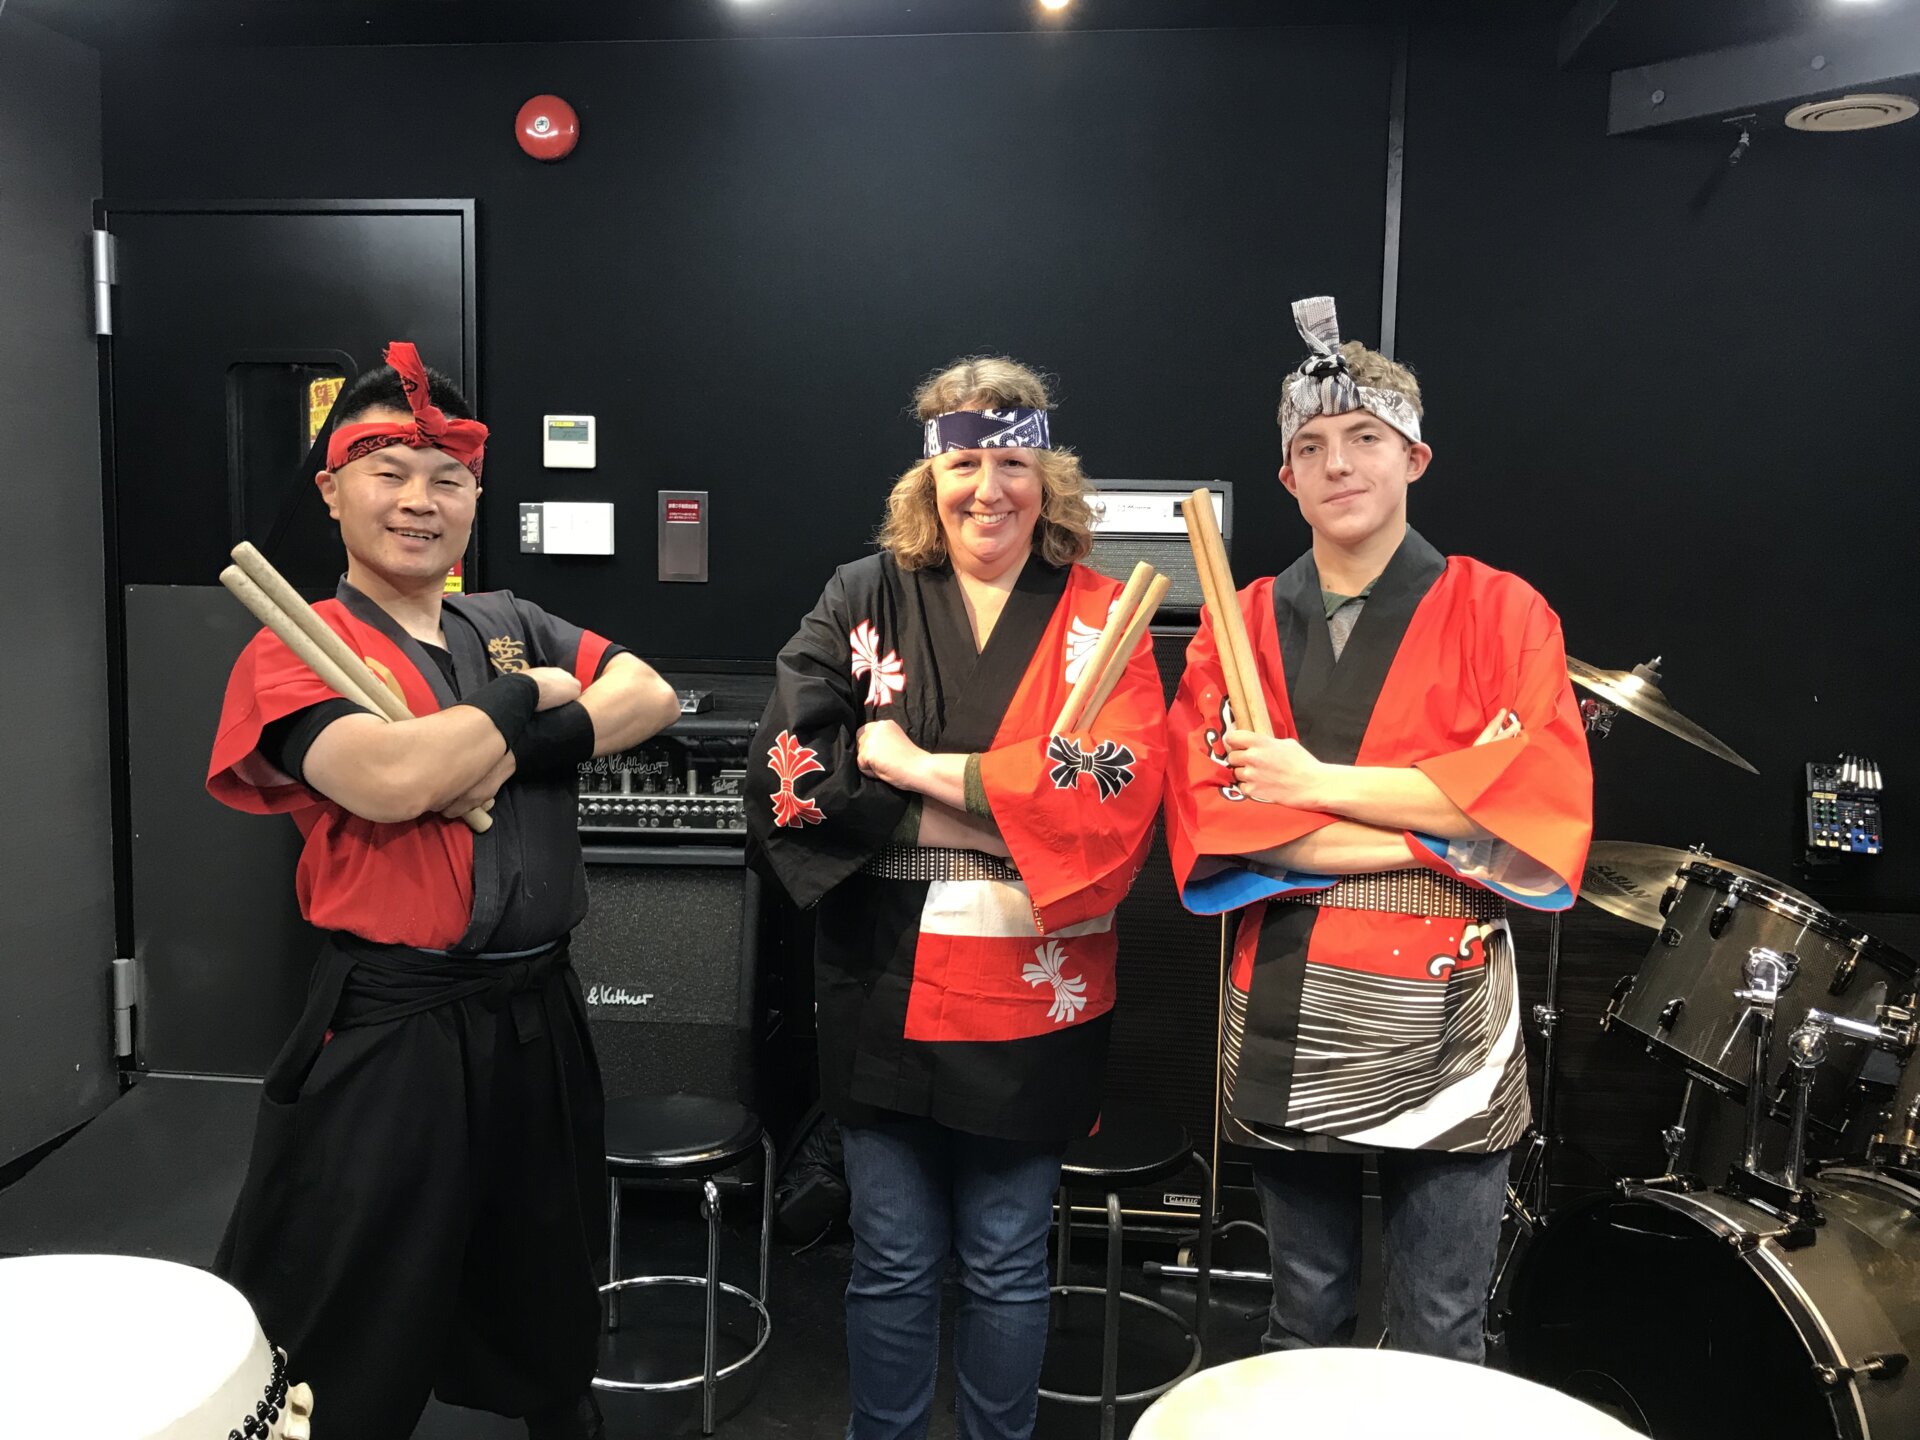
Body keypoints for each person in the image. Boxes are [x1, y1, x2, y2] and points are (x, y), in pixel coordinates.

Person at [206, 342, 680, 1440]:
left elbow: (649, 693)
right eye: (389, 472)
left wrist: (515, 736)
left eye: (448, 478)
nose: (420, 501)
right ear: (333, 490)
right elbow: (389, 781)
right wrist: (530, 705)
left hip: (538, 1012)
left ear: (474, 498)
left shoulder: (506, 621)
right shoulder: (297, 646)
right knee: (350, 1308)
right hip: (397, 1026)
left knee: (547, 1284)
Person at [1165, 298, 1593, 1362]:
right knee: (1301, 1317)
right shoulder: (1237, 622)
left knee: (1443, 1324)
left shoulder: (1506, 612)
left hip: (1450, 993)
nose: (1338, 464)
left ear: (1414, 458)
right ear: (1287, 477)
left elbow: (1535, 797)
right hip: (1288, 988)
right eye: (1310, 447)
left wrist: (1312, 783)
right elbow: (1227, 818)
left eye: (1364, 438)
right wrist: (1447, 816)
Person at [747, 357, 1166, 1440]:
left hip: (1035, 976)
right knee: (890, 1256)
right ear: (928, 476)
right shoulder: (862, 594)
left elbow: (1117, 795)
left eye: (1013, 464)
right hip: (880, 968)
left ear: (1048, 477)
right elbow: (792, 771)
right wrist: (1002, 812)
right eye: (965, 463)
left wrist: (916, 767)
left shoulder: (1104, 613)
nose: (990, 488)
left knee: (1007, 1257)